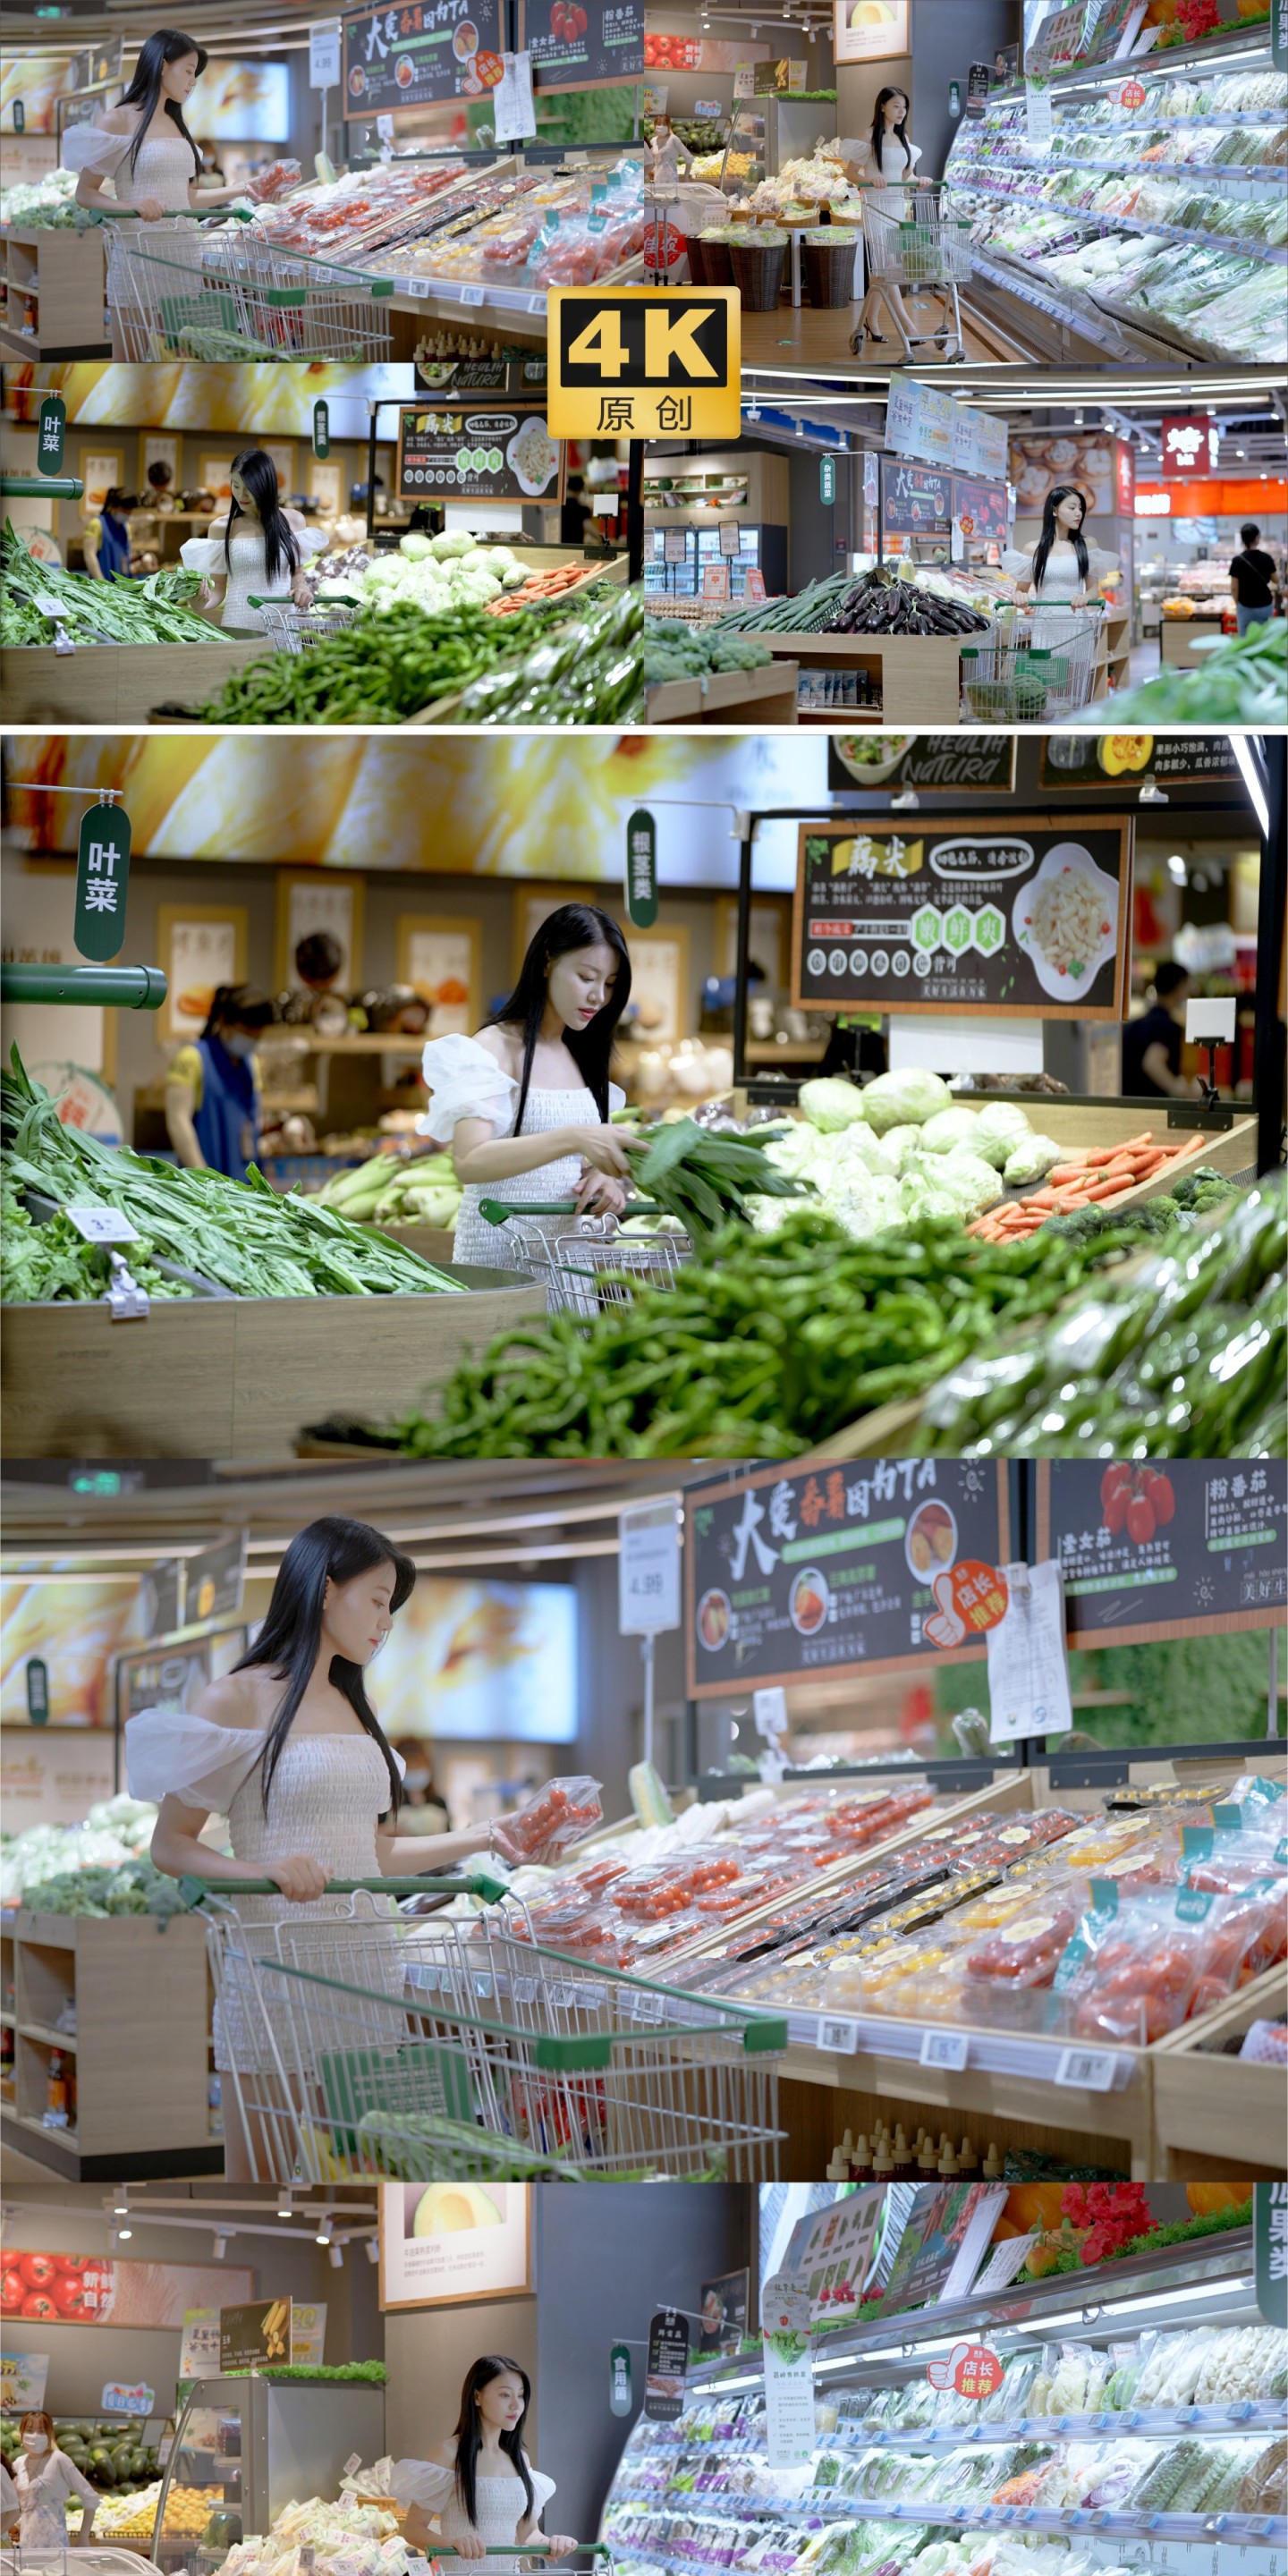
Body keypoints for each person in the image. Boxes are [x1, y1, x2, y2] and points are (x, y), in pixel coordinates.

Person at [130, 1519, 582, 2175]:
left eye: (392, 1608)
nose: (386, 1622)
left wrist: (493, 1835)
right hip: (275, 1977)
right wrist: (262, 1870)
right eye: (377, 1600)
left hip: (366, 1970)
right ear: (323, 1589)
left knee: (364, 2175)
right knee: (263, 2179)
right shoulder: (235, 1698)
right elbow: (169, 1846)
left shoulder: (353, 1708)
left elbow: (374, 1856)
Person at [420, 902, 645, 1274]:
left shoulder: (582, 1053)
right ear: (546, 964)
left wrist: (602, 1176)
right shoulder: (495, 1047)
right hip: (500, 1263)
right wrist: (575, 1137)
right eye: (587, 977)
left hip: (569, 1271)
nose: (598, 997)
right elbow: (468, 1161)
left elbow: (575, 1164)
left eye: (609, 984)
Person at [66, 31, 250, 358]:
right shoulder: (118, 120)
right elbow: (85, 194)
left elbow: (186, 199)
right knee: (133, 365)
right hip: (139, 259)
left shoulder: (177, 123)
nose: (193, 82)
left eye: (196, 74)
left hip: (183, 257)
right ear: (163, 65)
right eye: (189, 71)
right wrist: (130, 206)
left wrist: (244, 189)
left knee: (180, 363)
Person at [390, 2356, 577, 2572]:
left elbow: (528, 2534)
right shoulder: (449, 2453)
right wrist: (451, 2543)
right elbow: (413, 2529)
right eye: (505, 2395)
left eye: (521, 2395)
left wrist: (552, 2543)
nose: (516, 2405)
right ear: (477, 2396)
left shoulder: (519, 2458)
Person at [182, 449, 319, 635]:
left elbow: (297, 575)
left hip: (284, 629)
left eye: (249, 488)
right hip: (239, 625)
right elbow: (219, 588)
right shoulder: (221, 528)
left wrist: (301, 587)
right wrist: (200, 601)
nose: (241, 495)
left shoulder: (294, 521)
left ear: (266, 486)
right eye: (236, 486)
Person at [165, 982, 275, 1182]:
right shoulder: (192, 1059)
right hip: (204, 1184)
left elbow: (254, 1117)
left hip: (243, 1180)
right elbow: (178, 1123)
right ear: (223, 1021)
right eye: (247, 1030)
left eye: (257, 1032)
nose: (253, 1038)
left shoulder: (251, 1064)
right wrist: (202, 1178)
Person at [850, 89, 928, 350]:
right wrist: (870, 178)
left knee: (883, 270)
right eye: (896, 106)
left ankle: (870, 321)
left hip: (897, 206)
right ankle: (908, 326)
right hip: (875, 206)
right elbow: (850, 172)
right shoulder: (869, 136)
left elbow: (907, 176)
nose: (901, 111)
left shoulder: (904, 138)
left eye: (904, 107)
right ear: (882, 106)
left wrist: (920, 181)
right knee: (888, 265)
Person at [10, 2414, 98, 2549]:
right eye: (29, 2430)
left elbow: (90, 2497)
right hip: (27, 2546)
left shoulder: (59, 2460)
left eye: (41, 2431)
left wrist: (84, 2537)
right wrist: (11, 2525)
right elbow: (8, 2502)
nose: (35, 2436)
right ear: (21, 2434)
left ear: (50, 2434)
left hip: (55, 2546)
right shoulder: (19, 2464)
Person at [1122, 961, 1198, 1099]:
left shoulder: (1135, 1025)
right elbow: (1152, 1063)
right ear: (1180, 986)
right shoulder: (1168, 1027)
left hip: (1129, 1104)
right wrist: (1182, 1092)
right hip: (1152, 1106)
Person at [389, 1739, 450, 1836]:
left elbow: (449, 1835)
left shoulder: (438, 1801)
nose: (415, 1773)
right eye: (410, 1769)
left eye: (419, 1767)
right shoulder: (390, 1802)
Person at [1228, 522, 1278, 638]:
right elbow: (1276, 580)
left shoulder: (1237, 561)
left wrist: (1238, 604)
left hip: (1245, 605)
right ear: (1258, 537)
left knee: (1246, 640)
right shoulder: (1267, 558)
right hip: (1265, 604)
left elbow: (1234, 587)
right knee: (1264, 638)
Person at [82, 488, 134, 581]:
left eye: (129, 511)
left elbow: (126, 556)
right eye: (123, 510)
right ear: (112, 506)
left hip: (120, 586)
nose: (126, 514)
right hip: (102, 586)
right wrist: (101, 583)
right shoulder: (97, 524)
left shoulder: (126, 528)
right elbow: (90, 555)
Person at [560, 473, 592, 548]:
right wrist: (602, 539)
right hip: (576, 549)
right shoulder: (582, 509)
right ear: (581, 490)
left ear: (567, 487)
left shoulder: (559, 508)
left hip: (560, 548)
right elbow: (588, 526)